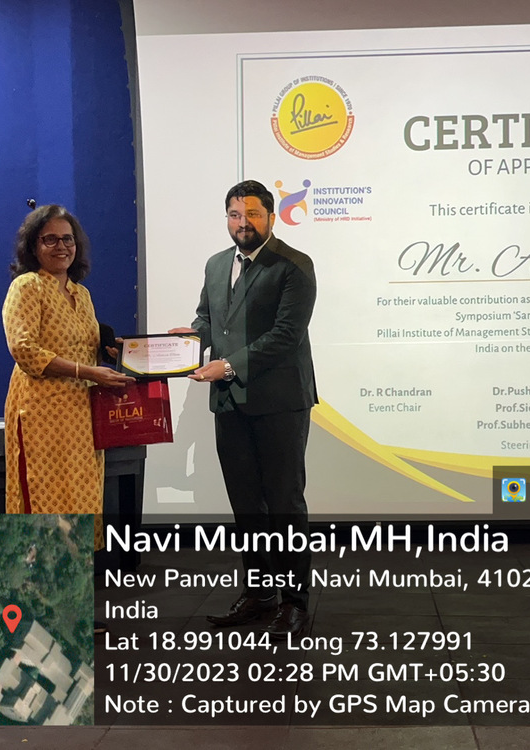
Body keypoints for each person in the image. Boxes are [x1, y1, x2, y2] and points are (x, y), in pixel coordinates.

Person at [171, 180, 318, 637]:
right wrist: (189, 338)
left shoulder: (294, 265)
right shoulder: (217, 264)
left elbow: (285, 336)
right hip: (230, 403)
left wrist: (228, 366)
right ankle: (260, 593)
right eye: (235, 215)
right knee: (247, 506)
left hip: (279, 403)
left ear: (271, 217)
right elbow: (208, 319)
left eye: (253, 214)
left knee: (284, 504)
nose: (243, 223)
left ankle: (294, 602)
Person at [2, 204, 134, 518]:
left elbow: (82, 348)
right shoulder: (27, 287)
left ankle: (78, 553)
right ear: (33, 246)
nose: (61, 246)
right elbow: (25, 350)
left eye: (67, 239)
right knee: (45, 499)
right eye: (50, 239)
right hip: (40, 414)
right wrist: (88, 371)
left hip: (82, 416)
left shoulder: (81, 294)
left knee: (82, 499)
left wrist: (110, 352)